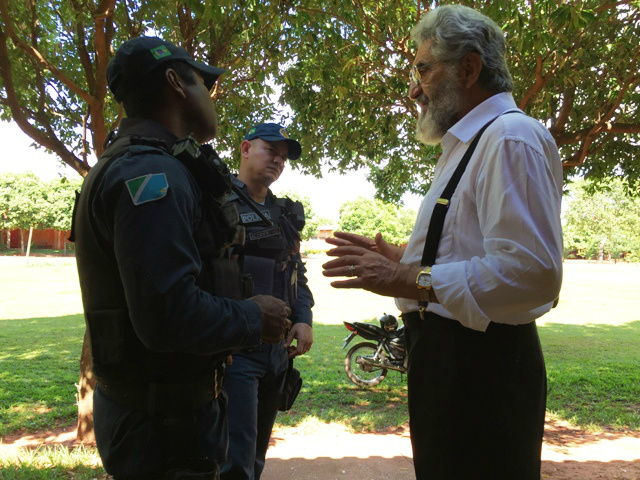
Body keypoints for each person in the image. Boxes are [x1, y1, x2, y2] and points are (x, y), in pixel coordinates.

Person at [322, 5, 563, 479]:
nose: (414, 89)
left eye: (423, 69)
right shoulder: (472, 143)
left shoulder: (509, 138)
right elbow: (473, 251)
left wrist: (407, 276)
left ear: (470, 68)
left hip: (481, 372)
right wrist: (405, 258)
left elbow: (533, 273)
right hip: (453, 366)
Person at [71, 37, 291, 480]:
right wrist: (252, 316)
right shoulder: (151, 175)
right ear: (175, 82)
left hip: (166, 415)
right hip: (163, 429)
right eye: (202, 83)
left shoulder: (148, 165)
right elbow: (167, 314)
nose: (210, 98)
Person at [219, 123, 314, 480]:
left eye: (284, 155)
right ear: (245, 148)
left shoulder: (284, 213)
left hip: (277, 354)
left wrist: (303, 318)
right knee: (234, 461)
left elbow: (295, 270)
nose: (278, 159)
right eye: (270, 149)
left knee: (256, 456)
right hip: (235, 352)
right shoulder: (216, 202)